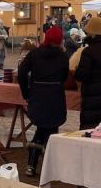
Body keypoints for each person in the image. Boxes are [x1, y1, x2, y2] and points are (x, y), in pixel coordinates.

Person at [18, 26, 69, 176]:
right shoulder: (63, 56)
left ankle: (33, 165)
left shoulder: (35, 53)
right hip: (55, 98)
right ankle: (47, 166)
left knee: (43, 128)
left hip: (37, 98)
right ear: (59, 41)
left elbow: (21, 72)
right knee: (50, 130)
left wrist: (26, 92)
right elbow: (65, 76)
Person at [74, 16, 101, 130]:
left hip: (93, 102)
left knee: (89, 133)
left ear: (91, 33)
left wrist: (77, 69)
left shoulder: (88, 52)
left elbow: (82, 75)